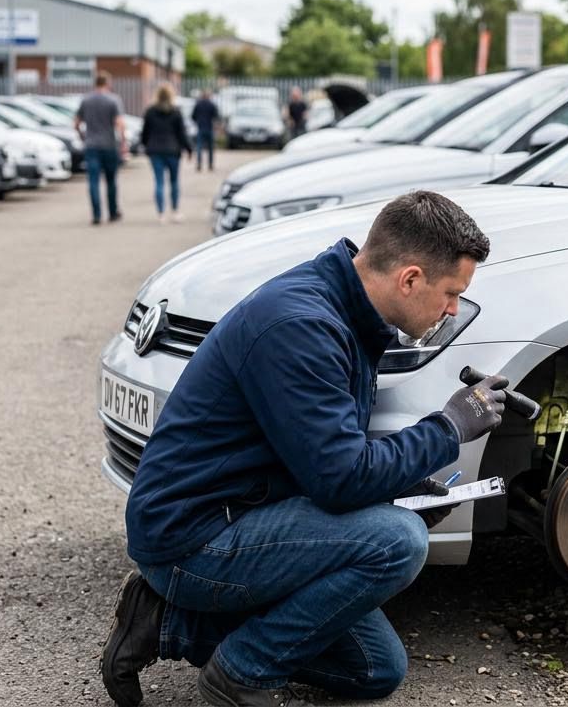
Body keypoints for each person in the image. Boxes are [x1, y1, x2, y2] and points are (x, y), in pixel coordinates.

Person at [100, 191, 507, 707]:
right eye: (451, 293)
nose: (454, 308)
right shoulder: (301, 326)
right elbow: (340, 481)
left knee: (375, 670)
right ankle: (240, 675)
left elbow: (322, 447)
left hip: (247, 510)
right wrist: (449, 428)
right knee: (398, 541)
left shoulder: (344, 309)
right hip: (192, 538)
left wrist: (405, 486)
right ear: (410, 278)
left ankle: (168, 625)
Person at [75, 72, 127, 225]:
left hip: (91, 146)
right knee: (111, 181)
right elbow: (119, 124)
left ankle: (96, 215)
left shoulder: (86, 100)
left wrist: (82, 137)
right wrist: (123, 142)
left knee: (93, 181)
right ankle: (112, 212)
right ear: (107, 83)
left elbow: (76, 123)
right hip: (109, 145)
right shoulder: (113, 100)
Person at [142, 83, 193, 223]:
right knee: (174, 181)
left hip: (155, 151)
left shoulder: (150, 111)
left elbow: (145, 133)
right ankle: (175, 211)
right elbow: (182, 133)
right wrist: (189, 149)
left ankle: (161, 214)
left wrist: (146, 146)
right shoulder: (175, 112)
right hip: (172, 150)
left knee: (159, 182)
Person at [191, 88, 220, 172]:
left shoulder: (198, 104)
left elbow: (193, 116)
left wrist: (198, 121)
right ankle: (210, 165)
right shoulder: (212, 105)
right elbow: (216, 117)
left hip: (200, 128)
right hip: (209, 128)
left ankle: (199, 164)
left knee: (199, 147)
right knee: (210, 148)